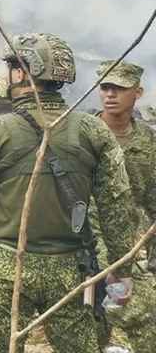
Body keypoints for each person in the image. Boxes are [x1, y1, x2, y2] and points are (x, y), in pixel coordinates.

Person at [0, 33, 136, 353]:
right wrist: (119, 270)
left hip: (6, 267)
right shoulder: (93, 130)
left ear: (24, 73)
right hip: (73, 268)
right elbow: (118, 207)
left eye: (13, 67)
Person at [94, 60, 156, 353]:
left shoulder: (147, 139)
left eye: (119, 88)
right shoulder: (84, 133)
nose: (110, 94)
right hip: (83, 244)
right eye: (105, 87)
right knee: (98, 319)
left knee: (134, 315)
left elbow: (153, 196)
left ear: (138, 92)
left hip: (125, 248)